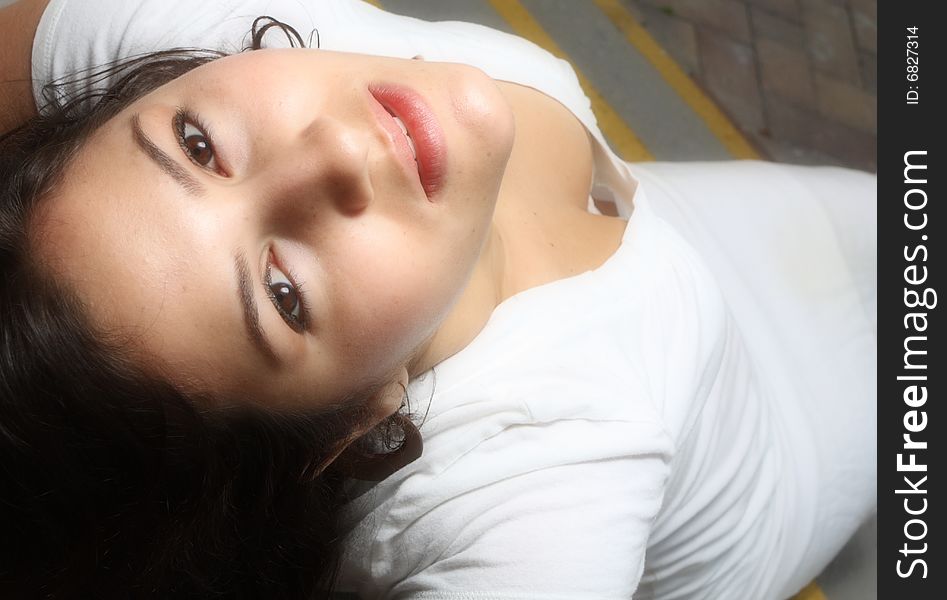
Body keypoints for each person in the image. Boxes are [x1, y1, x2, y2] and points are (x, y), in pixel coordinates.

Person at [0, 0, 876, 598]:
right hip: (795, 465)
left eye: (196, 145)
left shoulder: (192, 41)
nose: (339, 148)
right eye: (282, 295)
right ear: (351, 422)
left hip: (719, 234)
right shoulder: (535, 496)